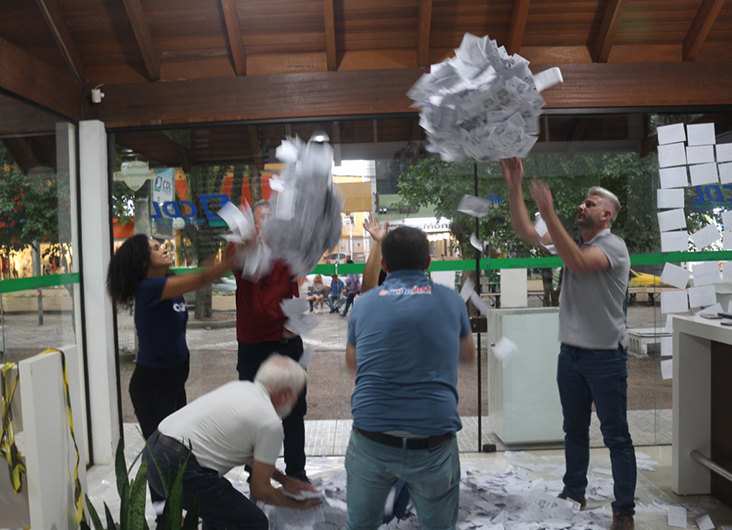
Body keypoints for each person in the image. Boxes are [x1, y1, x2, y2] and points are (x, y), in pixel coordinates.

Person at [501, 157, 635, 530]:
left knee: (616, 436)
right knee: (573, 430)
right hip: (571, 354)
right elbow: (527, 232)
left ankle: (624, 510)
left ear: (606, 215)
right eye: (583, 201)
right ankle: (574, 492)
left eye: (589, 204)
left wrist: (549, 211)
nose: (581, 205)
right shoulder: (573, 239)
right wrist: (514, 184)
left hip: (605, 356)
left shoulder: (614, 247)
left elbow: (577, 262)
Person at [344, 220, 475, 530]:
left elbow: (353, 363)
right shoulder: (452, 301)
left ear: (385, 265)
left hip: (372, 438)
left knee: (360, 525)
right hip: (433, 442)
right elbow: (468, 356)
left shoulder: (363, 306)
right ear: (428, 263)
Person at [106, 234, 234, 502]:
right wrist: (231, 259)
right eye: (155, 248)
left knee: (178, 450)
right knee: (162, 456)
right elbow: (202, 278)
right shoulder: (149, 289)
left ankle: (177, 511)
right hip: (152, 386)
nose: (163, 249)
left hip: (173, 382)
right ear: (144, 263)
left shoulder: (167, 284)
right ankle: (164, 515)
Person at [145, 355, 320, 529]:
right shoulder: (270, 423)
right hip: (180, 468)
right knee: (253, 522)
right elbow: (260, 490)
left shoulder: (240, 388)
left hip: (154, 452)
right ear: (285, 394)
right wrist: (297, 505)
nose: (295, 402)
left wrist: (285, 480)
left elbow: (255, 459)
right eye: (297, 395)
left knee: (221, 514)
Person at [230, 201, 309, 482]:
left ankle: (296, 471)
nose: (271, 222)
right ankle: (256, 473)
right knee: (256, 410)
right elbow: (237, 258)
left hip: (288, 342)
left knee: (294, 409)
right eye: (264, 218)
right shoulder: (243, 250)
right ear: (253, 225)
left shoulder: (288, 254)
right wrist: (250, 240)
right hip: (255, 345)